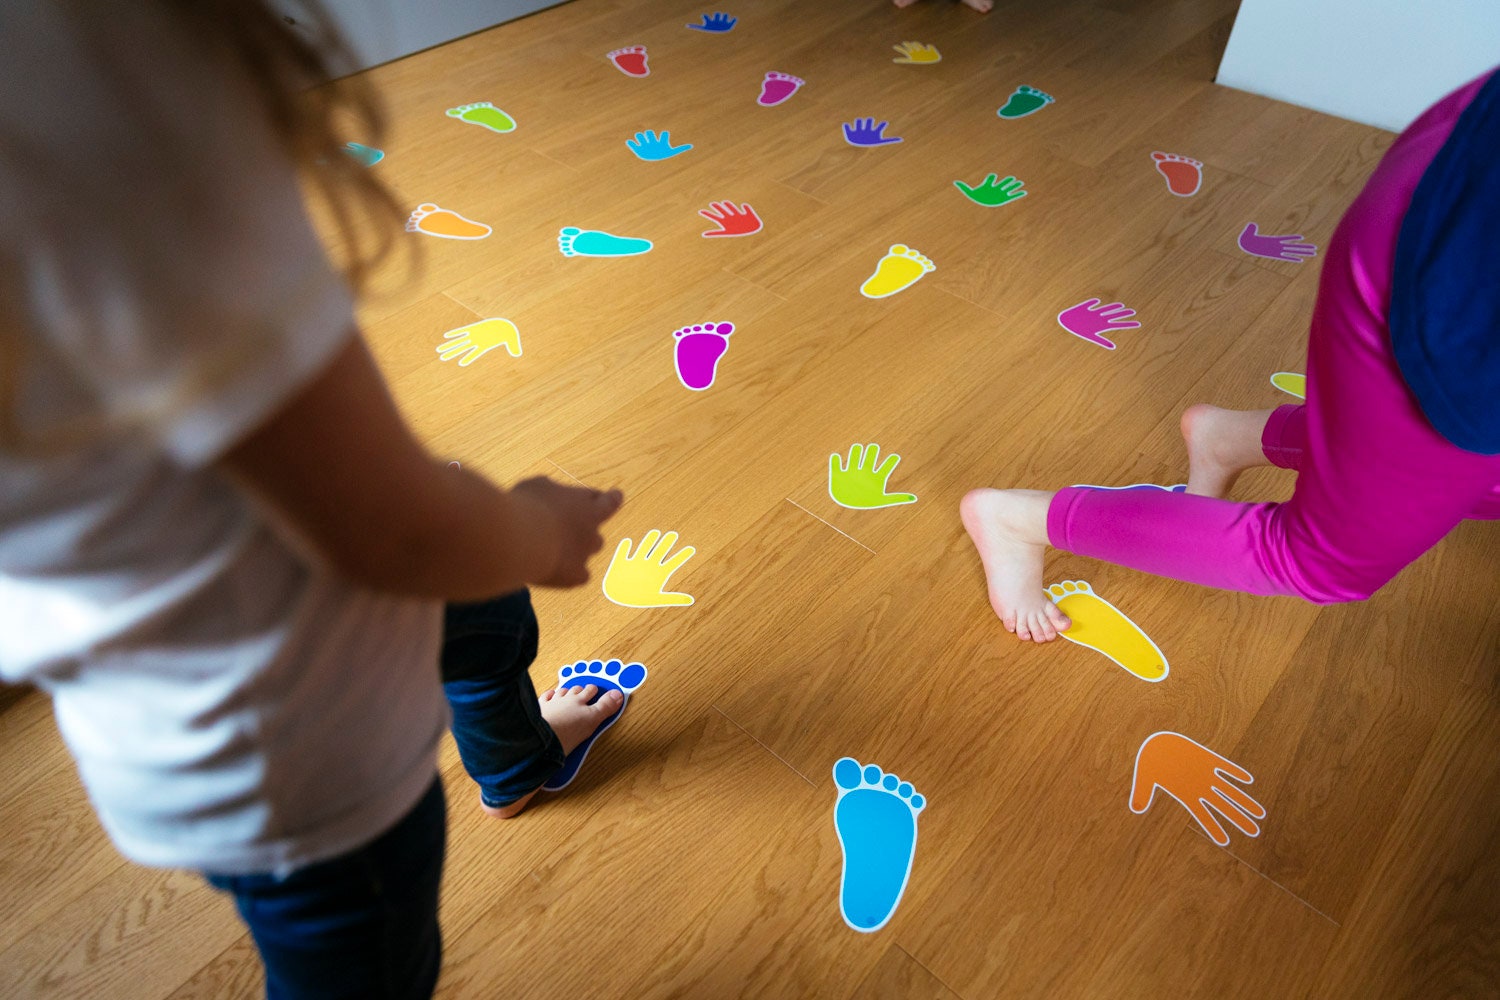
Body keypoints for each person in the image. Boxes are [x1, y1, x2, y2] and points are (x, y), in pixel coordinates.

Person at [0, 2, 624, 997]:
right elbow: (404, 532)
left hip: (181, 678)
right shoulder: (82, 70)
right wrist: (539, 529)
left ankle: (513, 760)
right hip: (302, 758)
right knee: (361, 964)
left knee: (482, 606)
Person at [962, 67, 1500, 643]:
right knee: (1325, 562)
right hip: (1461, 281)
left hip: (1457, 166)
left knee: (1472, 482)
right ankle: (1019, 521)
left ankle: (1230, 437)